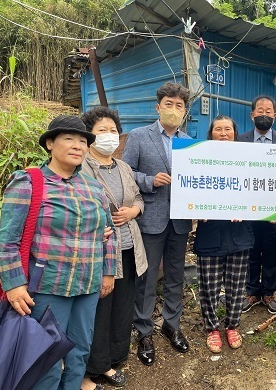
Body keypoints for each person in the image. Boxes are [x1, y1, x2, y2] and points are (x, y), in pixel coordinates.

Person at [0, 115, 117, 390]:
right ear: (50, 144)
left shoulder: (94, 187)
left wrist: (108, 272)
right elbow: (6, 241)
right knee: (45, 358)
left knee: (79, 351)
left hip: (87, 285)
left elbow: (109, 233)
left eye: (83, 141)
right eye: (69, 139)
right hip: (49, 287)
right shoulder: (28, 182)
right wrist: (13, 286)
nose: (78, 146)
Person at [122, 82, 192, 365]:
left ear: (185, 111)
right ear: (158, 107)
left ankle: (171, 325)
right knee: (147, 278)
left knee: (176, 277)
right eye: (169, 104)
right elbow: (126, 172)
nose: (174, 110)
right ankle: (144, 331)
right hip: (150, 219)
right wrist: (149, 181)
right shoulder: (139, 136)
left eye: (179, 106)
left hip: (180, 221)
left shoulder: (189, 142)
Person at [80, 107, 148, 389]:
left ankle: (116, 357)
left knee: (122, 305)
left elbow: (140, 199)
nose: (109, 136)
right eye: (101, 131)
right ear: (89, 136)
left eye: (112, 130)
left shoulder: (123, 167)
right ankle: (95, 366)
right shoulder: (80, 166)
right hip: (99, 252)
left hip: (130, 247)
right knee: (98, 308)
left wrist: (133, 211)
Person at [194, 115, 255, 353]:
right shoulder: (198, 160)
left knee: (236, 284)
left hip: (239, 232)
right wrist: (196, 207)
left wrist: (246, 207)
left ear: (234, 133)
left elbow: (256, 191)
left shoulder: (248, 160)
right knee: (209, 286)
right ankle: (212, 328)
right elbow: (189, 189)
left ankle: (232, 325)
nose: (222, 133)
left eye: (227, 129)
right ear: (211, 134)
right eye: (218, 129)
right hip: (210, 232)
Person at [238, 96, 276, 314]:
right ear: (252, 115)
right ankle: (251, 292)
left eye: (269, 111)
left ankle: (268, 292)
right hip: (247, 208)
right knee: (250, 250)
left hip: (274, 209)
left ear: (275, 116)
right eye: (260, 110)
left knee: (271, 252)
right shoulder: (239, 141)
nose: (264, 114)